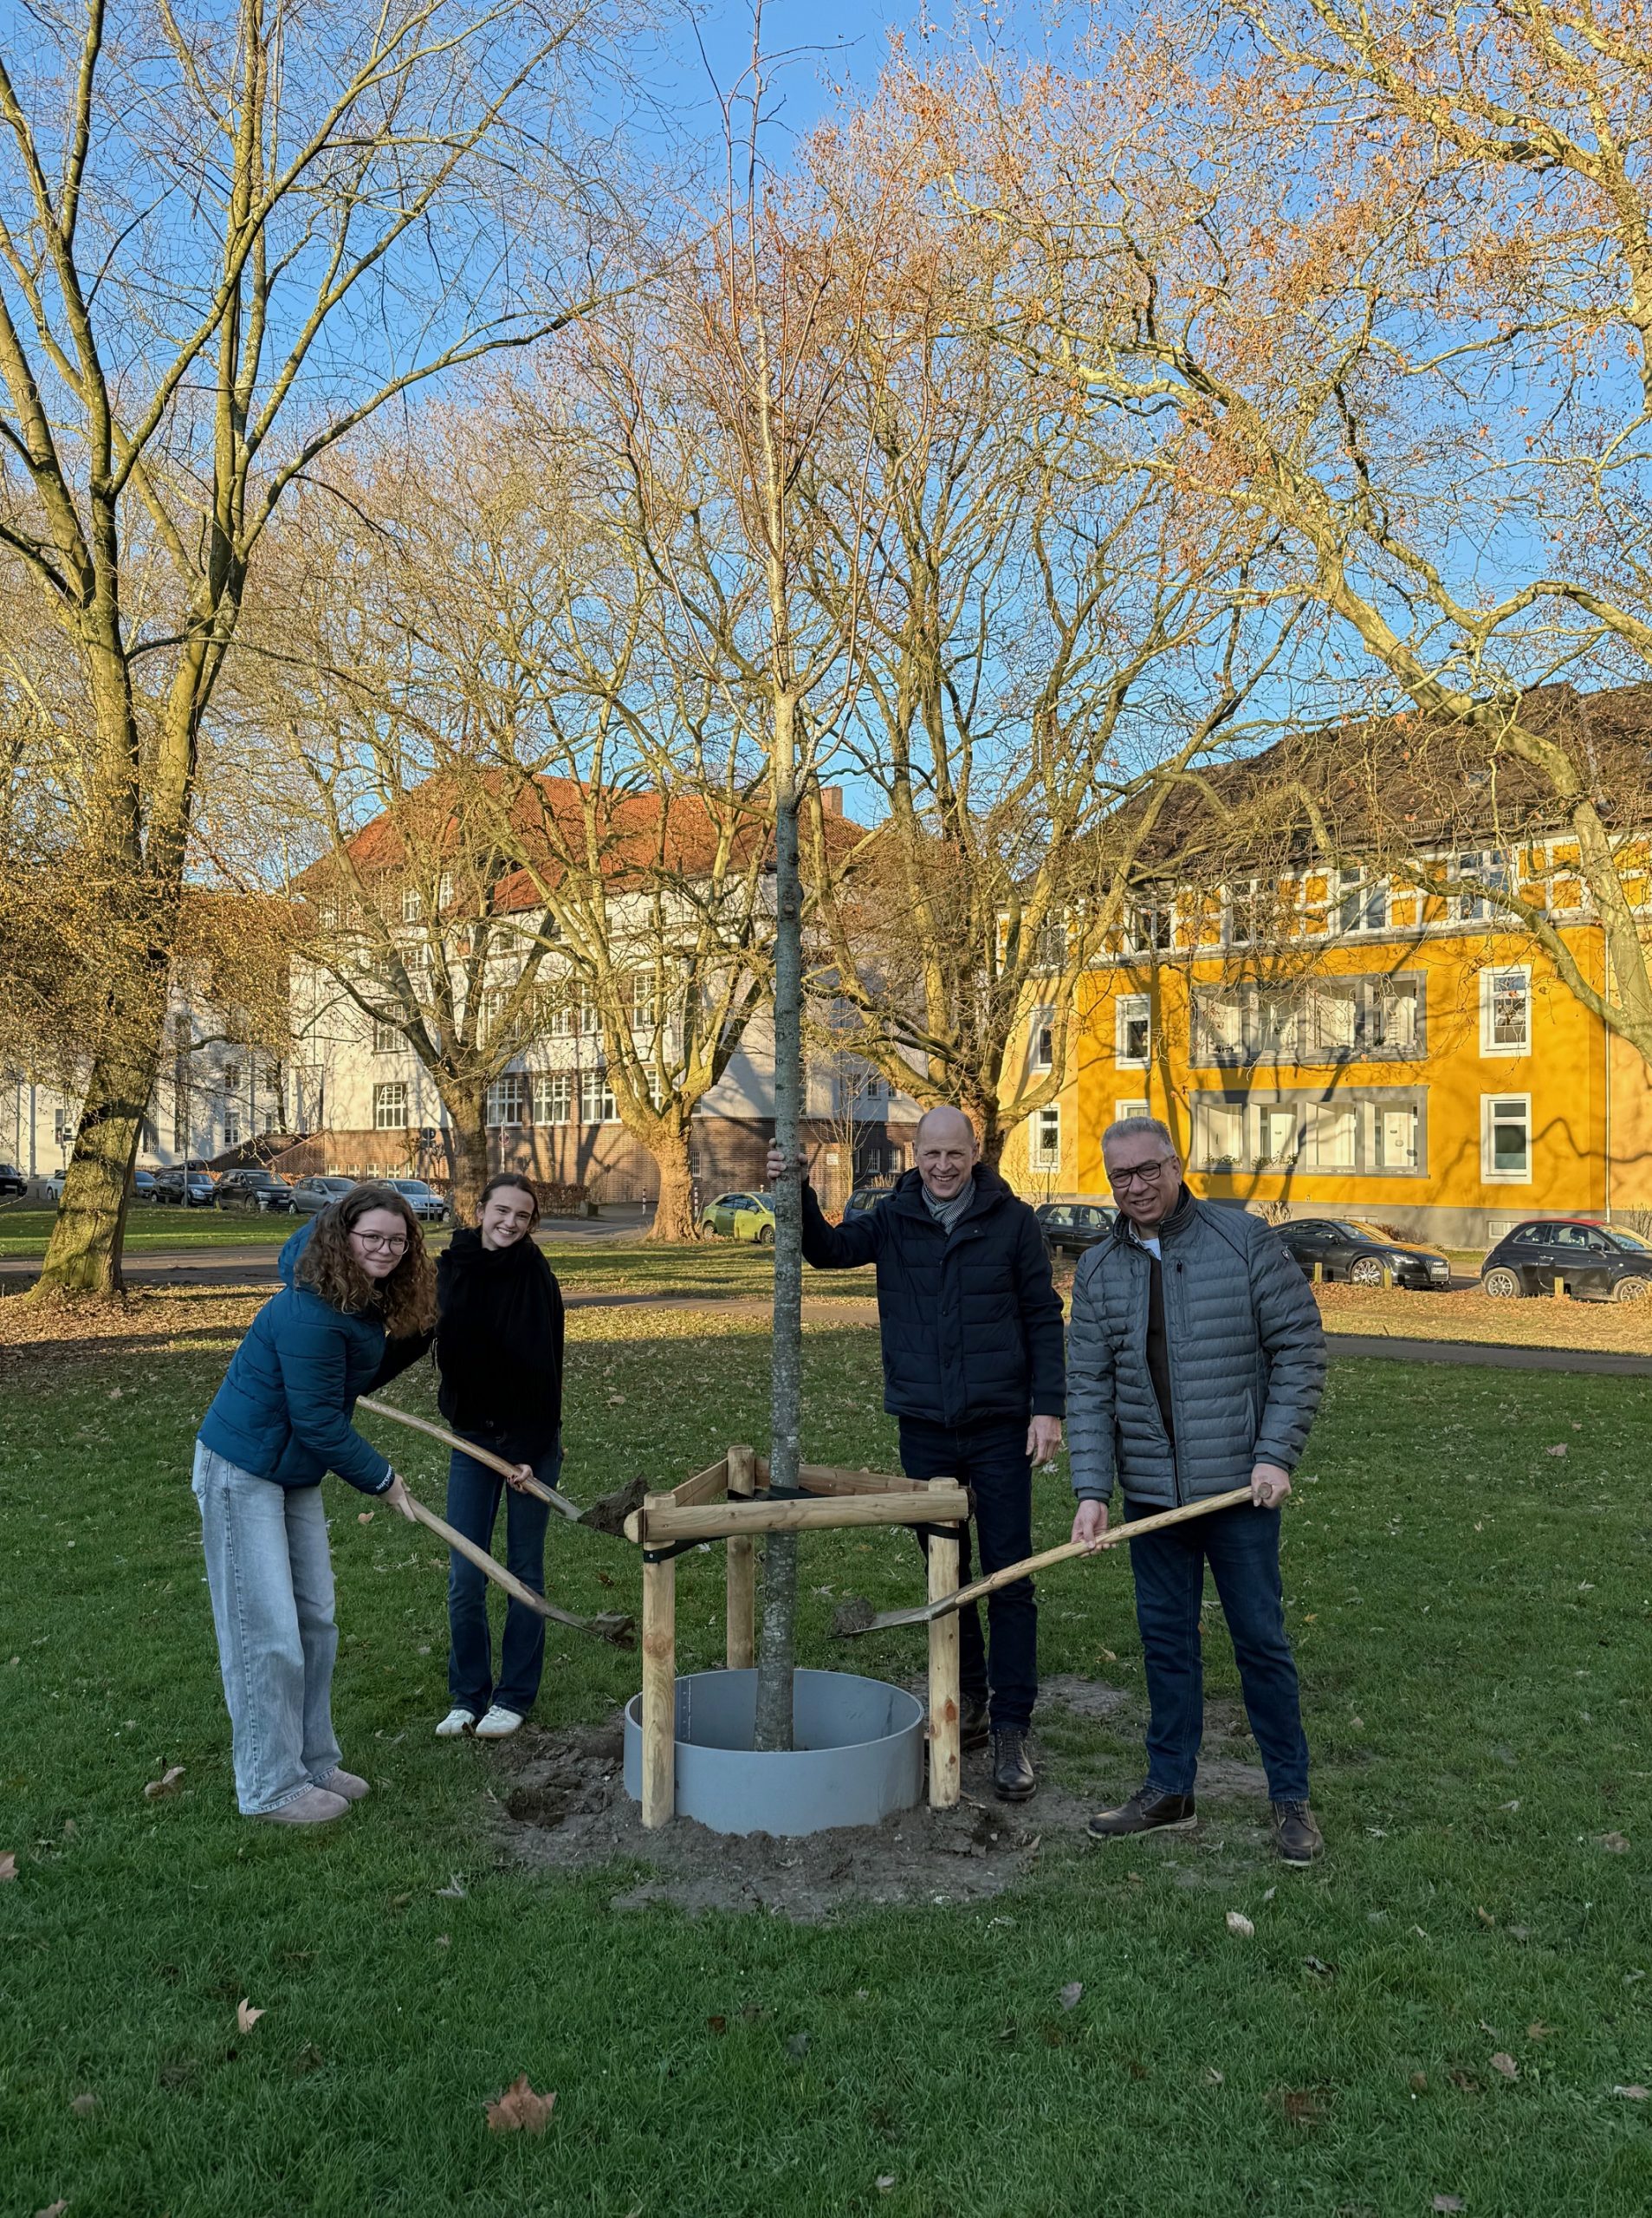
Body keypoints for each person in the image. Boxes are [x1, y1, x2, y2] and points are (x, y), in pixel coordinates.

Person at [767, 1106, 1065, 1801]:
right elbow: (828, 1252)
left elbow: (1041, 1316)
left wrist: (1047, 1407)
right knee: (945, 1571)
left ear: (974, 1152)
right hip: (925, 1427)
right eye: (929, 1154)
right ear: (914, 1153)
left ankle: (1014, 1725)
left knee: (1008, 1574)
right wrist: (798, 1194)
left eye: (953, 1154)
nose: (940, 1166)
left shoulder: (1012, 1221)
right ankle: (969, 1701)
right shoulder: (894, 1217)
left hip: (999, 1425)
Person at [1066, 1116, 1328, 1864]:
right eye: (1121, 1177)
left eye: (1148, 1171)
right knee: (1166, 1646)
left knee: (1261, 1643)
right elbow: (1085, 1386)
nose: (1136, 1187)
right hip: (1153, 1499)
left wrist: (1274, 1454)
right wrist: (1092, 1491)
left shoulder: (1240, 1241)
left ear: (1176, 1165)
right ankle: (1169, 1788)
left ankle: (1289, 1798)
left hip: (1237, 1494)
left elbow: (1298, 1350)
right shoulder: (1098, 1269)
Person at [193, 1183, 437, 1825]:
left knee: (314, 1622)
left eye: (397, 1239)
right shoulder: (310, 1308)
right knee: (264, 1630)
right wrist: (386, 1481)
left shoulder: (357, 1300)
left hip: (290, 1470)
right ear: (343, 1237)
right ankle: (270, 1786)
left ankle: (312, 1761)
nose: (386, 1249)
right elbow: (319, 1420)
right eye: (373, 1238)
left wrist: (414, 1339)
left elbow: (346, 1377)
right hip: (241, 1469)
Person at [432, 1173, 565, 1741]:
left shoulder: (535, 1277)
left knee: (521, 1571)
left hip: (528, 1445)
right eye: (501, 1211)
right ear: (480, 1209)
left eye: (522, 1216)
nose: (510, 1222)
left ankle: (512, 1696)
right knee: (465, 1573)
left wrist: (531, 1454)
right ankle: (467, 1696)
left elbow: (546, 1370)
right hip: (470, 1440)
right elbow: (422, 1335)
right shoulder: (453, 1266)